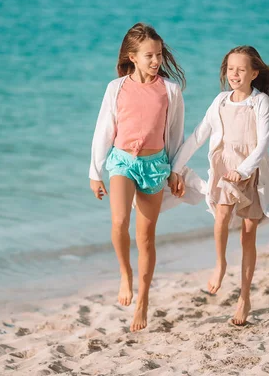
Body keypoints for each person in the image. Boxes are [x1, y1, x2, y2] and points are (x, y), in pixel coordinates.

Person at [172, 46, 269, 326]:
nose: (234, 74)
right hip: (225, 168)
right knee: (222, 214)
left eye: (241, 69)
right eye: (230, 69)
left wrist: (243, 170)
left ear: (254, 73)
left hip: (249, 170)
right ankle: (220, 264)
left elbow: (263, 142)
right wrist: (176, 169)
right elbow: (197, 136)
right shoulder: (220, 101)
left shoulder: (259, 102)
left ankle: (244, 296)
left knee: (248, 234)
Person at [88, 23, 200, 332]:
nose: (156, 61)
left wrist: (176, 170)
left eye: (159, 55)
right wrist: (95, 172)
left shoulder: (170, 90)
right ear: (132, 57)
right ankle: (125, 275)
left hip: (155, 167)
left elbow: (175, 135)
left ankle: (143, 301)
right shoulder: (116, 87)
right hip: (123, 161)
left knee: (146, 238)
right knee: (118, 221)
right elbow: (103, 131)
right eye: (149, 55)